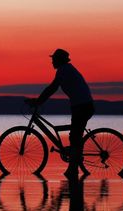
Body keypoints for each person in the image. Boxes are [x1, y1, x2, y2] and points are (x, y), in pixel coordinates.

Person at [26, 48, 95, 178]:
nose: (52, 62)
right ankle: (73, 165)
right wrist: (39, 100)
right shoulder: (66, 69)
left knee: (75, 137)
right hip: (81, 106)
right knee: (75, 135)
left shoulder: (64, 70)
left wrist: (38, 101)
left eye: (53, 59)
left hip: (82, 106)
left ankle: (73, 169)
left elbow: (52, 88)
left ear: (59, 60)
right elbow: (52, 88)